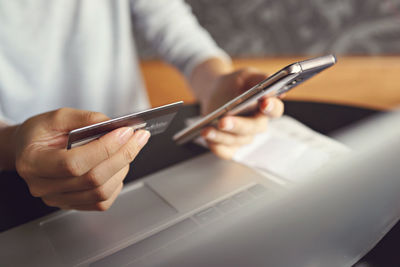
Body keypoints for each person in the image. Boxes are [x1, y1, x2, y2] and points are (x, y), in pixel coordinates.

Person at [0, 0, 284, 211]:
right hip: (14, 181)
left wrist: (216, 83)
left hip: (142, 155)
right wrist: (13, 144)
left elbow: (170, 22)